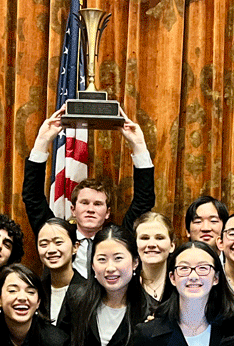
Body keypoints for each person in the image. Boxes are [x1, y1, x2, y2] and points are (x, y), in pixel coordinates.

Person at [21, 107, 155, 277]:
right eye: (84, 203)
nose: (90, 209)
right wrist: (42, 141)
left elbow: (144, 200)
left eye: (98, 204)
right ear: (73, 210)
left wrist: (139, 146)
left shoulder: (118, 240)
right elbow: (32, 197)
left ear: (107, 213)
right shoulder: (56, 235)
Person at [134, 242, 234, 346]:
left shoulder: (233, 332)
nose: (193, 276)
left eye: (203, 268)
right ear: (172, 278)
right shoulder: (147, 336)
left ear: (216, 278)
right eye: (184, 268)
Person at [36, 218, 84, 324]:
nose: (51, 250)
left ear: (75, 247)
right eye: (44, 244)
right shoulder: (36, 290)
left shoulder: (88, 291)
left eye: (58, 242)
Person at [132, 212, 175, 306]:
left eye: (159, 238)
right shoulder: (127, 285)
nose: (151, 244)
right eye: (144, 238)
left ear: (172, 246)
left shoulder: (180, 283)